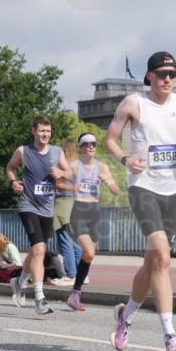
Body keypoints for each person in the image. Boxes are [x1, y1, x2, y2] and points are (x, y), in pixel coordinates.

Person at [104, 51, 176, 351]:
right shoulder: (133, 103)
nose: (167, 79)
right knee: (162, 256)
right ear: (149, 75)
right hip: (143, 187)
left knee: (153, 264)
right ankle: (170, 338)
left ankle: (126, 316)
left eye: (172, 74)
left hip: (173, 190)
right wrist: (125, 159)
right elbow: (110, 139)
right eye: (162, 73)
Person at [5, 115, 71, 316]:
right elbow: (10, 168)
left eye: (48, 131)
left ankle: (19, 282)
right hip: (28, 206)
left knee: (36, 252)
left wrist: (61, 174)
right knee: (40, 250)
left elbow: (69, 172)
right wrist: (13, 182)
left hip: (47, 209)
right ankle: (40, 298)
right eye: (42, 131)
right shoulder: (23, 151)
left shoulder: (57, 152)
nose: (45, 135)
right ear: (33, 131)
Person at [64, 132, 121, 310]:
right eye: (87, 144)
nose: (90, 147)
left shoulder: (102, 167)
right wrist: (70, 186)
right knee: (88, 251)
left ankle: (75, 293)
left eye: (93, 144)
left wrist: (108, 183)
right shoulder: (74, 166)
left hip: (95, 212)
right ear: (81, 148)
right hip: (79, 210)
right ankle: (76, 292)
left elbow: (116, 191)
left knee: (89, 255)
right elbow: (56, 181)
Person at [51, 138, 83, 287]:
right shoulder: (78, 165)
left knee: (64, 239)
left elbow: (58, 183)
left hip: (62, 202)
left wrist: (69, 188)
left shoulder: (61, 165)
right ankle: (83, 273)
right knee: (73, 241)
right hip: (76, 203)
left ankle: (71, 274)